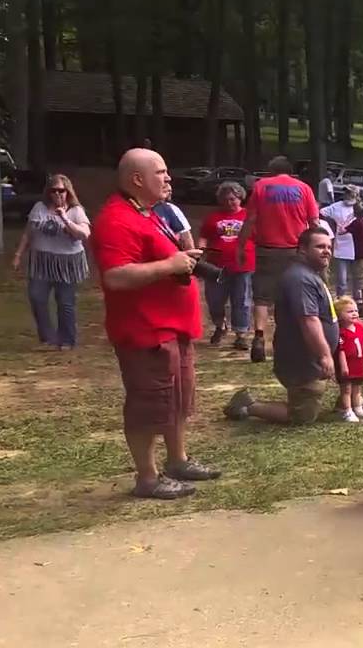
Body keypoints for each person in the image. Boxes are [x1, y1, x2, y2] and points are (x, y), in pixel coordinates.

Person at [89, 148, 221, 500]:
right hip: (145, 331)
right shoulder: (116, 220)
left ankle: (178, 460)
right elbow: (115, 276)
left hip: (173, 328)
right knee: (148, 404)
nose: (168, 178)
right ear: (137, 179)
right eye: (161, 172)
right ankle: (147, 477)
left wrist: (181, 259)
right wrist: (170, 265)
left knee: (177, 400)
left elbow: (160, 258)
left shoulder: (147, 213)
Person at [224, 227, 340, 425]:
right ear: (302, 249)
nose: (326, 251)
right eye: (320, 246)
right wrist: (324, 354)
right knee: (302, 416)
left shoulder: (310, 274)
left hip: (309, 357)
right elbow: (308, 319)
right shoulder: (300, 278)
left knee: (310, 400)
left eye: (329, 246)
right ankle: (248, 405)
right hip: (301, 357)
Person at [238, 155, 320, 363]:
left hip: (266, 249)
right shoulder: (304, 188)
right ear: (289, 171)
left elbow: (250, 219)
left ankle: (258, 338)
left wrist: (241, 245)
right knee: (296, 294)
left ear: (270, 171)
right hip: (296, 250)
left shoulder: (261, 186)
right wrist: (317, 248)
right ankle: (295, 339)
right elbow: (314, 222)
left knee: (262, 297)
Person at [11, 174, 91, 350]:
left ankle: (67, 340)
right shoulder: (39, 208)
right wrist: (18, 255)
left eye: (61, 191)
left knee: (65, 302)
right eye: (53, 191)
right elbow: (28, 233)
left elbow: (83, 234)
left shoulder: (76, 211)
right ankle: (48, 337)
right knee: (36, 297)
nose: (57, 194)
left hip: (67, 262)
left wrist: (64, 218)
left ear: (67, 191)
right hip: (42, 260)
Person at [198, 181, 254, 350]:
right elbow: (204, 237)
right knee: (215, 300)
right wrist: (201, 250)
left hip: (243, 265)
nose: (229, 203)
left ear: (240, 198)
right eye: (226, 199)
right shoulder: (213, 218)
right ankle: (219, 326)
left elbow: (258, 237)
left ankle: (241, 334)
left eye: (233, 199)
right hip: (216, 266)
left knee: (242, 300)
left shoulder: (248, 216)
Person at [321, 185, 363, 298]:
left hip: (358, 250)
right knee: (342, 280)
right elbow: (321, 213)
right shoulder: (336, 206)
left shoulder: (362, 207)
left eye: (350, 193)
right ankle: (341, 301)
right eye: (346, 192)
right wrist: (332, 227)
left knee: (358, 280)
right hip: (341, 249)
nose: (347, 195)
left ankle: (357, 303)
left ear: (356, 195)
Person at [333, 295, 363, 422]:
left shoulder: (358, 327)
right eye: (349, 311)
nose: (354, 314)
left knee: (357, 388)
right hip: (348, 365)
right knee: (346, 389)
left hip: (359, 364)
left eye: (355, 311)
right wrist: (343, 366)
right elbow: (340, 351)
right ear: (339, 315)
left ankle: (357, 408)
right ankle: (347, 410)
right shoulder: (341, 332)